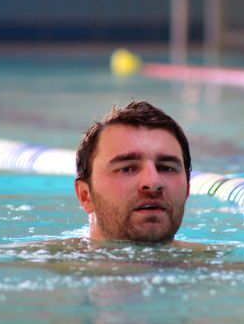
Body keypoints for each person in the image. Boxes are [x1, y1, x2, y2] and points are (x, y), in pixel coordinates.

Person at [74, 100, 193, 245]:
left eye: (167, 168)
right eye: (126, 169)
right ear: (85, 196)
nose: (153, 182)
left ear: (187, 189)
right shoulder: (49, 261)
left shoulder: (220, 261)